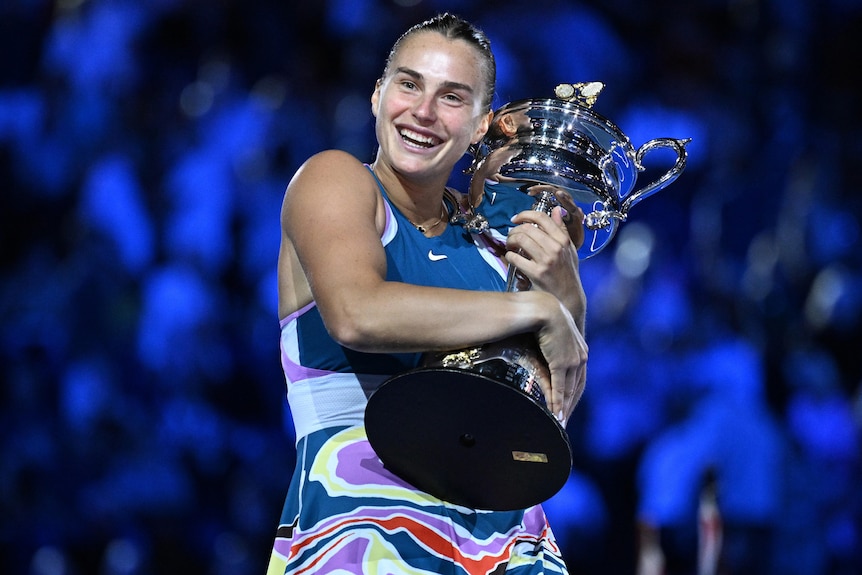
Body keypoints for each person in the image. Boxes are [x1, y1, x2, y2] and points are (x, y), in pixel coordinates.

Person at [267, 13, 588, 574]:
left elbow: (546, 408)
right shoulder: (334, 180)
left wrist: (568, 299)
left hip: (503, 533)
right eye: (409, 84)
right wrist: (536, 308)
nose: (423, 111)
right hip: (363, 520)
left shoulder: (495, 235)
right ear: (377, 95)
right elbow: (356, 313)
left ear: (481, 125)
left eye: (452, 97)